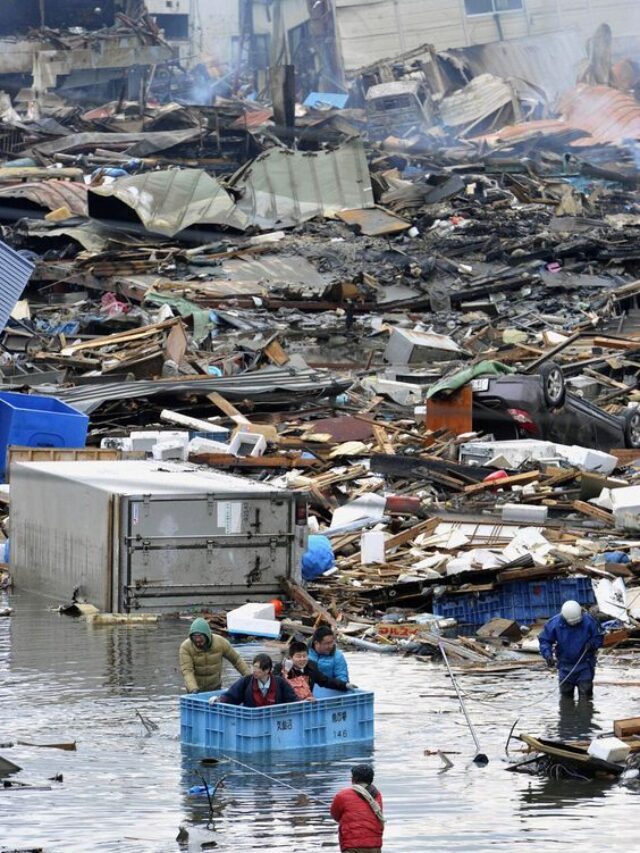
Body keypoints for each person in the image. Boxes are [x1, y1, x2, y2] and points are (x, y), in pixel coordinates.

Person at [538, 600, 603, 699]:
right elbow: (545, 641)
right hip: (565, 667)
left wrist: (592, 644)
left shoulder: (590, 621)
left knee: (586, 698)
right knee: (565, 699)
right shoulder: (554, 623)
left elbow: (598, 637)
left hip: (585, 665)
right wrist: (548, 655)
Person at [179, 617, 250, 693]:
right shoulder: (186, 647)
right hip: (194, 690)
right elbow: (187, 671)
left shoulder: (220, 642)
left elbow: (237, 660)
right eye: (195, 638)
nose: (198, 641)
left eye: (200, 637)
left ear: (207, 635)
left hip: (215, 688)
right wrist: (193, 689)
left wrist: (250, 678)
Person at [330, 764, 385, 853]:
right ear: (371, 779)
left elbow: (335, 816)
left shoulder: (342, 795)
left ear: (353, 779)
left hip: (352, 847)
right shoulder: (377, 795)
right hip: (375, 846)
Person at [279, 640, 356, 701]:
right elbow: (278, 687)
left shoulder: (311, 666)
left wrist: (345, 685)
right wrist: (285, 671)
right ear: (290, 657)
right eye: (298, 656)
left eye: (305, 656)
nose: (302, 659)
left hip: (309, 702)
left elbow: (325, 680)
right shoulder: (281, 667)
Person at [211, 653, 298, 707]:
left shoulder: (280, 682)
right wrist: (219, 699)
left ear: (267, 670)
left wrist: (305, 702)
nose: (254, 671)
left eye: (257, 668)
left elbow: (293, 699)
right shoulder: (246, 681)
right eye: (254, 667)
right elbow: (231, 695)